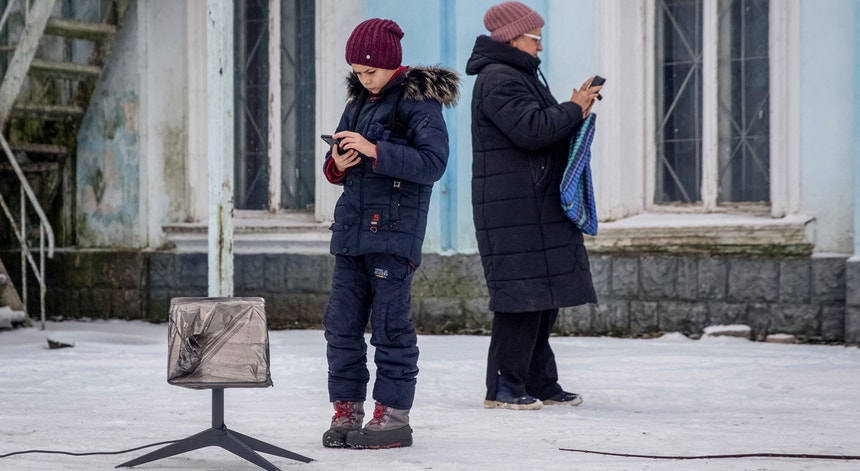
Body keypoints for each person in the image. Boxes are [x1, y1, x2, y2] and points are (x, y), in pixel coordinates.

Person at [320, 18, 460, 448]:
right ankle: (347, 409)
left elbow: (433, 164)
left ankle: (392, 416)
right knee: (340, 326)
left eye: (370, 72)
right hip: (352, 231)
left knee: (389, 327)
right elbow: (341, 165)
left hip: (395, 234)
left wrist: (375, 150)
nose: (364, 80)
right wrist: (338, 163)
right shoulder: (359, 101)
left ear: (391, 65)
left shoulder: (420, 104)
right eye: (358, 73)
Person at [465, 1, 600, 410]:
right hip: (514, 210)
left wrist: (574, 111)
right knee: (519, 301)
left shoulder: (519, 75)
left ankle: (540, 382)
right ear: (512, 38)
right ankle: (504, 387)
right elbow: (532, 130)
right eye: (535, 38)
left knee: (543, 300)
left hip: (532, 204)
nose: (541, 47)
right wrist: (574, 108)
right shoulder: (498, 79)